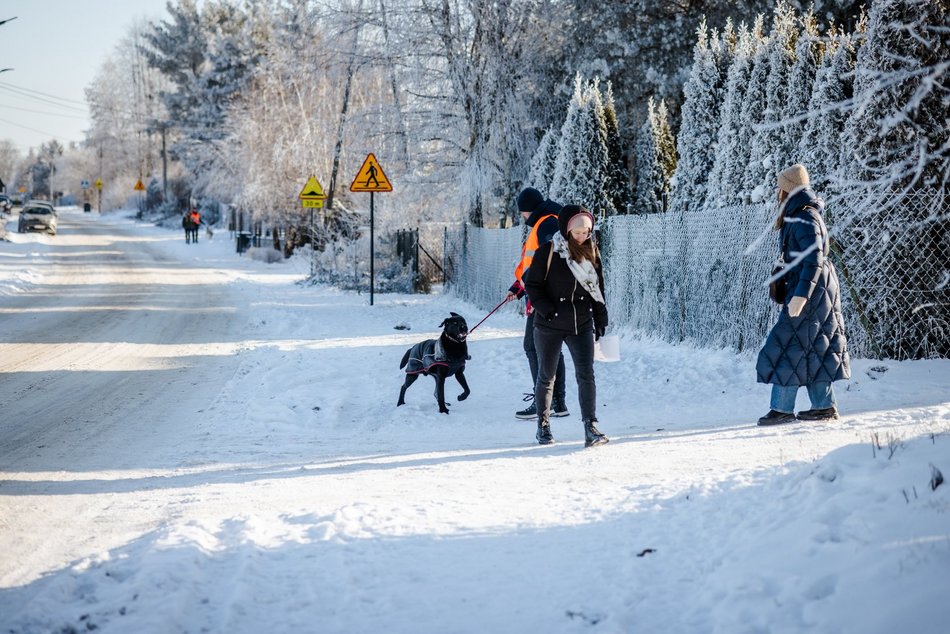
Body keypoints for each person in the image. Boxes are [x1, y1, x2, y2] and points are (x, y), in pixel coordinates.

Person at [756, 164, 851, 425]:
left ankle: (782, 408)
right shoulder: (800, 213)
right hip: (815, 289)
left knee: (788, 344)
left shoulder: (805, 217)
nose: (778, 192)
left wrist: (801, 295)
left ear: (789, 188)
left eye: (781, 187)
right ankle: (823, 406)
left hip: (810, 291)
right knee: (813, 347)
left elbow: (813, 260)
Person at [524, 204, 608, 447]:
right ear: (567, 229)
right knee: (546, 376)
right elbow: (533, 285)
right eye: (578, 231)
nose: (582, 236)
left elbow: (597, 288)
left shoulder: (591, 251)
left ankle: (590, 426)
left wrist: (601, 319)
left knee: (586, 375)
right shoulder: (549, 251)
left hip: (580, 322)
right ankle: (543, 425)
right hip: (549, 324)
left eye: (587, 231)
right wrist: (547, 310)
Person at [506, 187, 569, 420]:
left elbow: (548, 260)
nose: (522, 217)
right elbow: (535, 264)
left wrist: (529, 286)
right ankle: (559, 402)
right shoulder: (548, 221)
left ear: (528, 210)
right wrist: (520, 286)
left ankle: (544, 401)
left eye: (522, 212)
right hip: (543, 294)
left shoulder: (547, 224)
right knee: (550, 349)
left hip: (544, 298)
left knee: (532, 347)